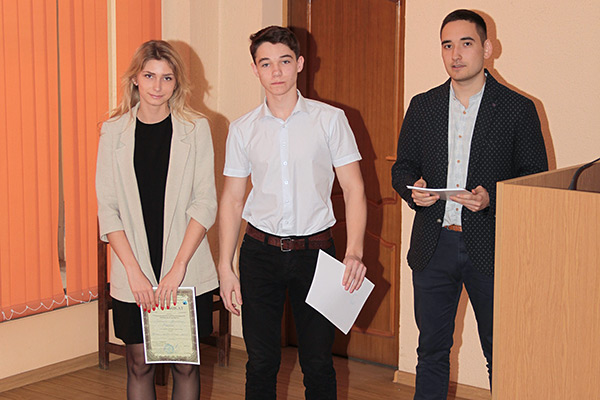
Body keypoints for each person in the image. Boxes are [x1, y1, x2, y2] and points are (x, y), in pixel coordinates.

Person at [391, 9, 548, 399]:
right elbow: (402, 167)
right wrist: (414, 189)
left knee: (502, 353)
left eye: (466, 43)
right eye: (447, 45)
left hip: (492, 246)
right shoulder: (423, 105)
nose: (455, 54)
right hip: (433, 245)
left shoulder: (517, 108)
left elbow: (534, 179)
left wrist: (491, 197)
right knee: (430, 352)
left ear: (487, 48)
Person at [217, 26, 368, 400]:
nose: (276, 72)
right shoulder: (242, 129)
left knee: (318, 363)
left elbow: (354, 189)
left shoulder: (330, 120)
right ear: (255, 69)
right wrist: (225, 266)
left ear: (300, 63)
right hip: (259, 254)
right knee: (261, 363)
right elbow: (232, 200)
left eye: (284, 61)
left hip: (316, 255)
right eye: (266, 63)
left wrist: (354, 252)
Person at [96, 40, 218, 400]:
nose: (157, 86)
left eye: (167, 77)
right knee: (139, 364)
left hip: (184, 267)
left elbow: (205, 203)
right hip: (132, 270)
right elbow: (108, 208)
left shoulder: (196, 129)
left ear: (177, 82)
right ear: (135, 78)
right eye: (149, 75)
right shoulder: (112, 132)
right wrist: (133, 272)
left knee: (184, 365)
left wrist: (177, 269)